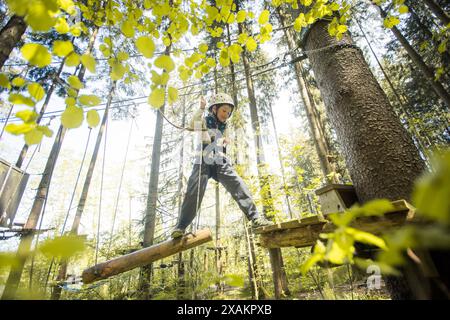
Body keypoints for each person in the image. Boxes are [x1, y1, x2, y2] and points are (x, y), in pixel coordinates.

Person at [171, 92, 272, 238]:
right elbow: (193, 124)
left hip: (220, 161)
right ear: (214, 109)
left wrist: (223, 140)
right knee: (194, 191)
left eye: (229, 112)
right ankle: (180, 227)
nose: (226, 114)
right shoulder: (205, 121)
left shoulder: (223, 126)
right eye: (224, 110)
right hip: (204, 160)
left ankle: (255, 217)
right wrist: (200, 109)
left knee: (237, 183)